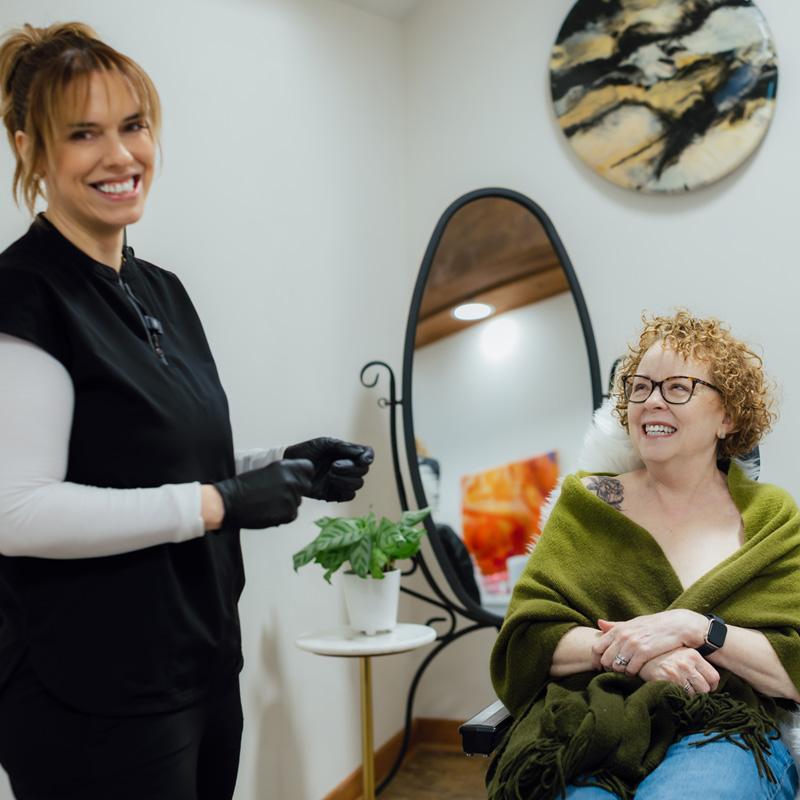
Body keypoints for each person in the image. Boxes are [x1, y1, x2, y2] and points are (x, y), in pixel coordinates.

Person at [0, 22, 373, 800]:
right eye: (83, 134)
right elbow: (17, 511)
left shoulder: (160, 287)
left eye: (133, 126)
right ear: (29, 146)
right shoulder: (24, 293)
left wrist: (280, 466)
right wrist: (216, 503)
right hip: (93, 693)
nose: (120, 155)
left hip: (200, 659)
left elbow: (152, 458)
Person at [487, 310, 800, 800]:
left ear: (729, 416)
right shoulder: (588, 502)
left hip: (721, 728)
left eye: (678, 387)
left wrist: (697, 628)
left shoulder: (770, 516)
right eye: (639, 387)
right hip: (595, 719)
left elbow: (793, 666)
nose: (651, 401)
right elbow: (528, 638)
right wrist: (635, 657)